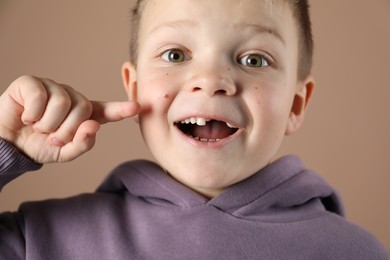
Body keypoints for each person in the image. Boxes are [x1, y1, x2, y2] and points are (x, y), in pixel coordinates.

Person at [0, 0, 388, 259]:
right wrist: (5, 147)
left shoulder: (354, 252)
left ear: (295, 104)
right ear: (134, 88)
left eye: (254, 58)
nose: (212, 79)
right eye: (175, 55)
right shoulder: (44, 237)